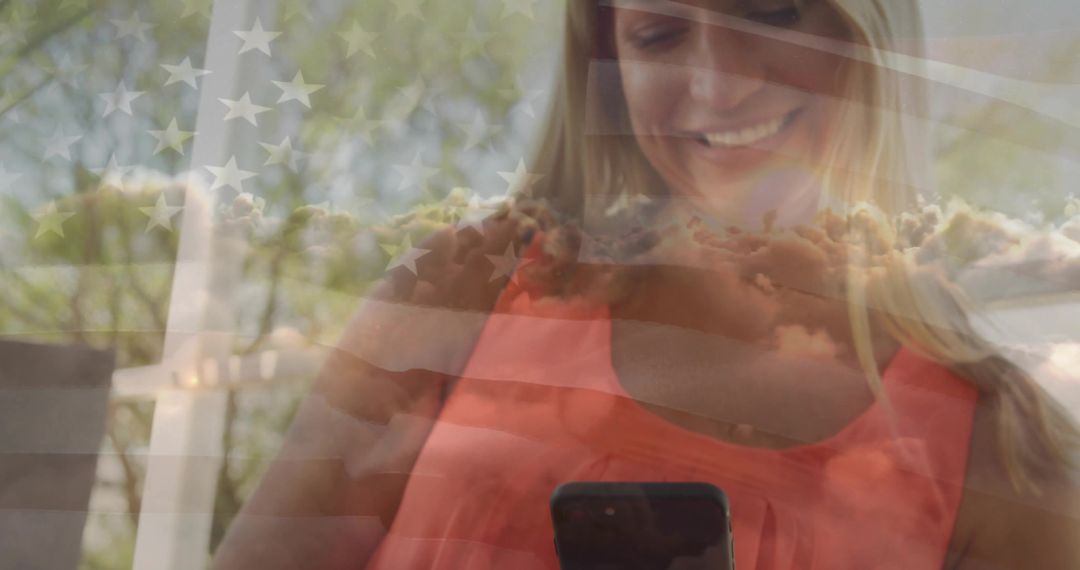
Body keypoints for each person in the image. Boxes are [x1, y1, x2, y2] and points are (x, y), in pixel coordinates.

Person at [212, 0, 1080, 568]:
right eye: (660, 34)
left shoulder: (1003, 440)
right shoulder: (458, 299)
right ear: (609, 67)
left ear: (865, 32)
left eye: (770, 9)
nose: (719, 84)